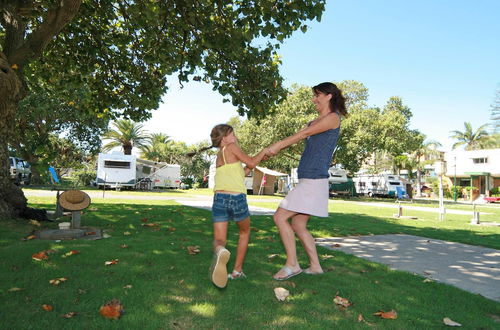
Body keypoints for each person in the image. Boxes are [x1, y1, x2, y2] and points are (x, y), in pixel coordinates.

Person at [267, 82, 347, 280]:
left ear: (329, 96)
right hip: (309, 177)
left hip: (313, 179)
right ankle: (315, 266)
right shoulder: (315, 121)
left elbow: (304, 134)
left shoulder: (333, 118)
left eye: (317, 95)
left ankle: (292, 265)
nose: (314, 99)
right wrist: (271, 151)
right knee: (299, 224)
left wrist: (277, 146)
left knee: (280, 217)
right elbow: (305, 133)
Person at [207, 124, 269, 288]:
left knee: (220, 240)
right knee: (244, 231)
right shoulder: (232, 147)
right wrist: (263, 151)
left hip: (219, 197)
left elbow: (243, 172)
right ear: (224, 138)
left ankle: (221, 252)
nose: (235, 137)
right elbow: (251, 161)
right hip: (236, 198)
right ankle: (237, 271)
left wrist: (256, 160)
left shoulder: (220, 155)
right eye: (232, 134)